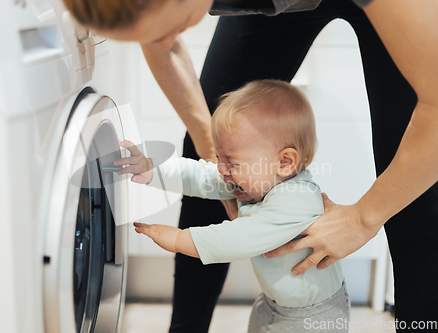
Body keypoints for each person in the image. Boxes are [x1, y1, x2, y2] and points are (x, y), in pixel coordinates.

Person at [62, 0, 438, 332]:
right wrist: (215, 160)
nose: (164, 42)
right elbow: (204, 167)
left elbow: (436, 109)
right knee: (214, 146)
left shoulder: (294, 199)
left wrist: (362, 219)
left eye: (167, 28)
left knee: (416, 201)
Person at [115, 79, 350, 333]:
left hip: (313, 320)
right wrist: (152, 168)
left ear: (284, 162)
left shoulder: (298, 200)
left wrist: (179, 239)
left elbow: (239, 237)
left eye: (232, 162)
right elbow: (199, 175)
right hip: (275, 304)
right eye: (219, 157)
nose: (221, 169)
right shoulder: (256, 179)